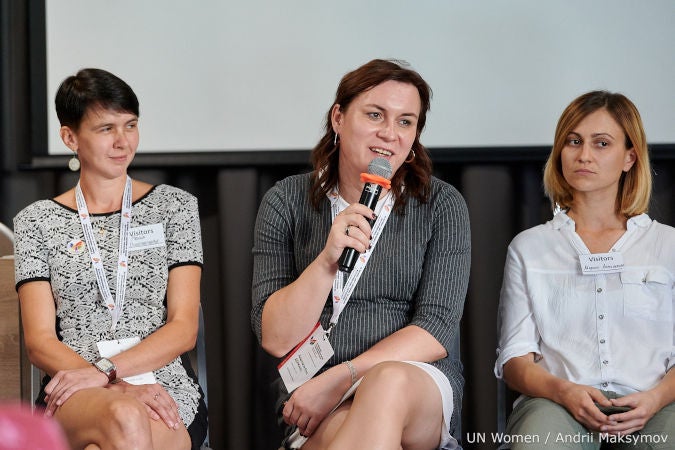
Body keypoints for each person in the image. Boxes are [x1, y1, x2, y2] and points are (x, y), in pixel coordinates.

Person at [251, 59, 470, 449]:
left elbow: (436, 328)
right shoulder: (285, 201)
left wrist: (343, 377)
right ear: (338, 117)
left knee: (387, 381)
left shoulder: (441, 204)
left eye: (406, 121)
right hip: (313, 394)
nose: (389, 134)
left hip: (415, 381)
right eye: (375, 115)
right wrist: (325, 262)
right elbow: (277, 337)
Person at [14, 68, 207, 450]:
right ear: (70, 137)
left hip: (161, 382)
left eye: (130, 125)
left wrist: (109, 373)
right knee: (123, 415)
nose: (123, 142)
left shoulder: (175, 208)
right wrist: (107, 382)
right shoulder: (35, 221)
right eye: (106, 129)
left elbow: (184, 327)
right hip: (73, 385)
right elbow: (38, 341)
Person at [494, 91, 675, 449]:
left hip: (658, 401)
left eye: (601, 143)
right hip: (557, 402)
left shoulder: (668, 245)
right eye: (573, 142)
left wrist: (655, 399)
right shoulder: (529, 247)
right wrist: (564, 391)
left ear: (629, 157)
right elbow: (515, 361)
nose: (584, 155)